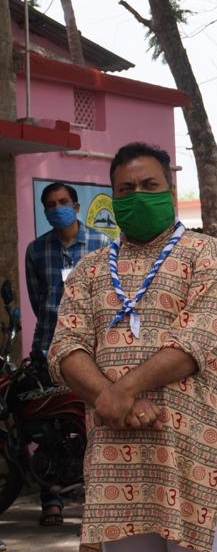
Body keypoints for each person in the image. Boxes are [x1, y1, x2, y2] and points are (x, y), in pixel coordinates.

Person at [46, 142, 217, 552]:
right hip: (115, 459)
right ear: (112, 197)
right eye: (125, 188)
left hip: (193, 451)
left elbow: (196, 341)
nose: (136, 194)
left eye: (148, 185)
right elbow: (66, 347)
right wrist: (115, 398)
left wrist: (122, 390)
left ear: (170, 193)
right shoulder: (90, 268)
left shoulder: (208, 254)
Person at [24, 181, 110, 527]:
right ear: (45, 212)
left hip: (93, 354)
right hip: (48, 349)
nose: (57, 208)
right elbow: (37, 299)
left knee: (92, 424)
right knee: (50, 430)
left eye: (63, 202)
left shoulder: (101, 244)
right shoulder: (36, 250)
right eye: (50, 204)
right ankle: (52, 499)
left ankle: (97, 496)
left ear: (76, 207)